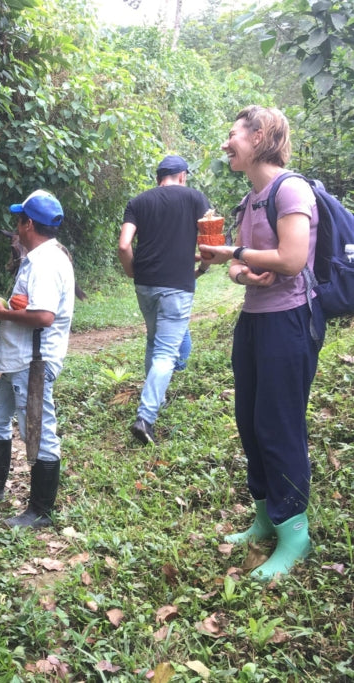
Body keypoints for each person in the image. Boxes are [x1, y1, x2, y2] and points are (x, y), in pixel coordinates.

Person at [199, 106, 322, 581]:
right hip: (253, 321)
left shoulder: (291, 189)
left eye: (233, 134)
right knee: (250, 421)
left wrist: (234, 253)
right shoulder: (251, 199)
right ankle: (265, 517)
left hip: (289, 321)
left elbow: (292, 257)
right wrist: (237, 268)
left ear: (261, 136)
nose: (226, 143)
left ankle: (295, 532)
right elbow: (239, 264)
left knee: (279, 423)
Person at [0, 190, 74, 528]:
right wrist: (8, 306)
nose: (16, 225)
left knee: (39, 432)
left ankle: (40, 511)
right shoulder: (40, 258)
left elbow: (44, 317)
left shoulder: (45, 262)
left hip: (33, 363)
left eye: (19, 219)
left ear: (27, 224)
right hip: (19, 361)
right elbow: (31, 307)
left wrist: (1, 314)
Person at [118, 155, 212, 445]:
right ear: (182, 176)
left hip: (145, 285)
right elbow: (211, 240)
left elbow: (124, 245)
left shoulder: (138, 202)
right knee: (166, 353)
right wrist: (203, 267)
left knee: (154, 340)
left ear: (159, 177)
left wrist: (133, 271)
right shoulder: (197, 198)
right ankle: (146, 417)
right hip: (177, 286)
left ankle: (154, 393)